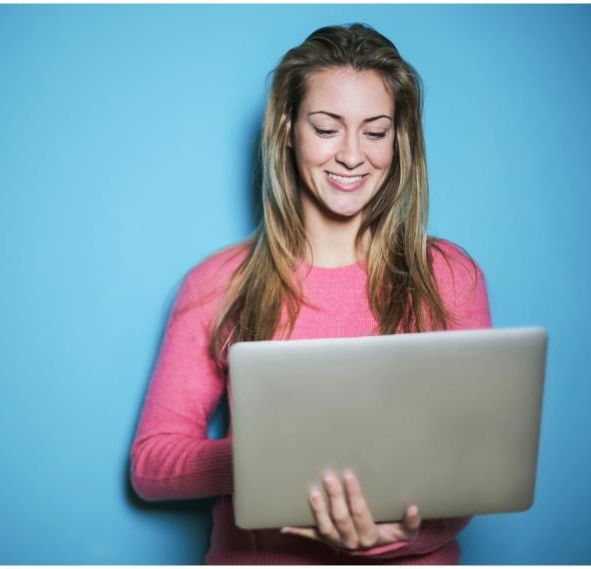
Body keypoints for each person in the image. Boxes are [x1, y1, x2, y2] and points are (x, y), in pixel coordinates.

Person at [130, 23, 492, 564]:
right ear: (287, 129)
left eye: (375, 132)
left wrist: (392, 535)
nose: (352, 155)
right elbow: (151, 464)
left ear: (401, 139)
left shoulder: (448, 276)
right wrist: (262, 460)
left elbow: (478, 462)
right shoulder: (217, 284)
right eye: (327, 128)